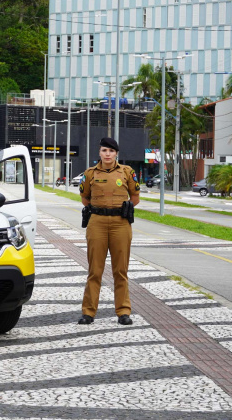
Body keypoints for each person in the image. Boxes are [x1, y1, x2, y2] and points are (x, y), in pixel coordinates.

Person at [76, 137, 140, 326]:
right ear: (100, 152)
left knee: (120, 270)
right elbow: (85, 198)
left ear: (116, 153)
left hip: (121, 223)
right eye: (104, 150)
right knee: (94, 270)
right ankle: (88, 312)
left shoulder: (127, 172)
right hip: (97, 223)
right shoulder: (90, 173)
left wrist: (125, 208)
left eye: (111, 151)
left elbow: (135, 197)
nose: (107, 154)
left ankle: (123, 312)